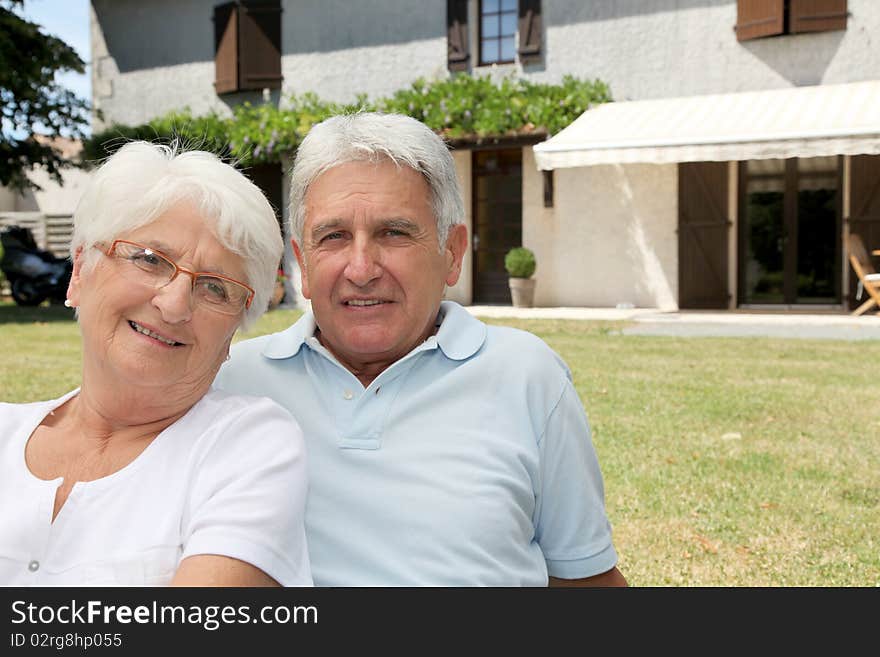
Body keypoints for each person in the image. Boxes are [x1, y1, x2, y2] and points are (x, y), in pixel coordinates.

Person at [215, 112, 627, 587]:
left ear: (452, 252)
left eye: (394, 232)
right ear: (303, 263)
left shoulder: (528, 377)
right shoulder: (233, 382)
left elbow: (587, 581)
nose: (362, 268)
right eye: (334, 237)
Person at [0, 141, 312, 586]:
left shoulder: (247, 447)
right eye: (149, 259)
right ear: (80, 273)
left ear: (231, 337)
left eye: (215, 288)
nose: (174, 303)